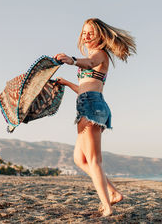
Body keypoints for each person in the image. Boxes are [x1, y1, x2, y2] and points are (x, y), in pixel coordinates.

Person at [54, 18, 136, 217]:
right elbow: (85, 88)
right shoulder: (94, 56)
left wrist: (72, 60)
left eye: (91, 32)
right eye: (84, 32)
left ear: (100, 35)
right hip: (90, 103)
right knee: (79, 158)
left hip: (91, 105)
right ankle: (114, 193)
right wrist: (66, 82)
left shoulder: (98, 54)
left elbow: (89, 63)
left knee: (93, 161)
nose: (86, 35)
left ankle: (107, 205)